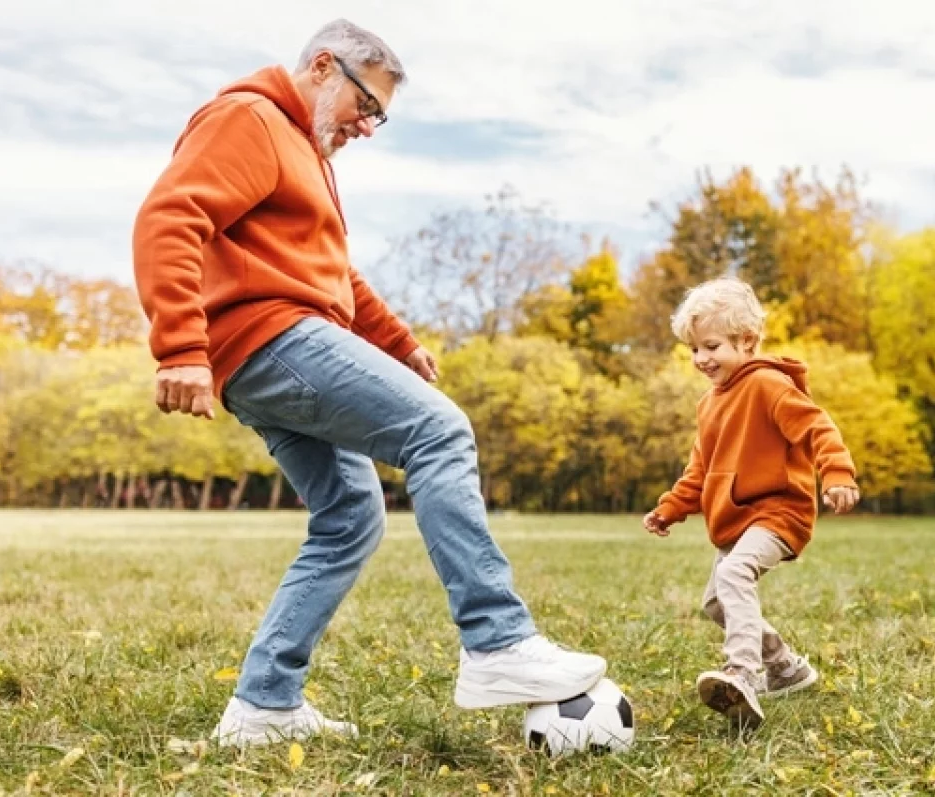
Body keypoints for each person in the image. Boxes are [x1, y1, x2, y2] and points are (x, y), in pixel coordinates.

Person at [132, 19, 606, 747]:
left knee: (352, 516)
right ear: (324, 66)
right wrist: (179, 348)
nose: (369, 126)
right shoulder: (251, 118)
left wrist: (398, 343)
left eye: (380, 115)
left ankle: (264, 705)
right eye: (368, 105)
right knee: (440, 429)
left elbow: (333, 273)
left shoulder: (304, 154)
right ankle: (497, 642)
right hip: (270, 337)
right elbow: (170, 217)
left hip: (276, 343)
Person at [642, 277, 859, 730]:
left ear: (747, 341)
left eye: (712, 346)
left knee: (733, 573)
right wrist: (670, 508)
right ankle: (785, 667)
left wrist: (837, 473)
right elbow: (699, 471)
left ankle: (743, 671)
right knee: (717, 602)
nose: (702, 359)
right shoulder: (709, 405)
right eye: (694, 350)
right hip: (736, 521)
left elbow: (818, 427)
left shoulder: (767, 384)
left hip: (779, 512)